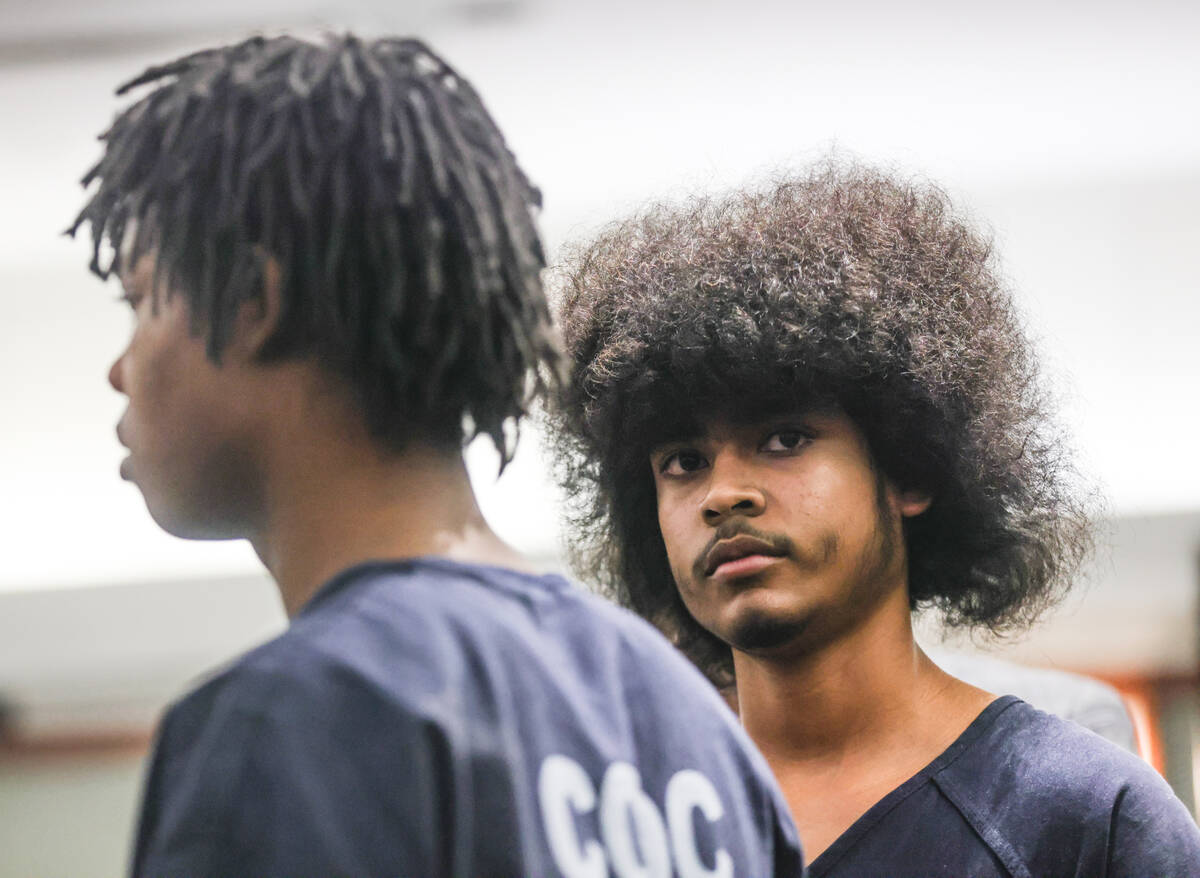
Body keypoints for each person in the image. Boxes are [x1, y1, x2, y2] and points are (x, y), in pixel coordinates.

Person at [70, 34, 803, 877]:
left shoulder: (291, 721)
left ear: (252, 303)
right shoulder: (696, 729)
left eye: (138, 302)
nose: (120, 369)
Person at [551, 161, 1200, 876]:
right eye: (682, 461)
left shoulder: (1082, 816)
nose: (723, 493)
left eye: (784, 440)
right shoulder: (613, 823)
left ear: (908, 471)